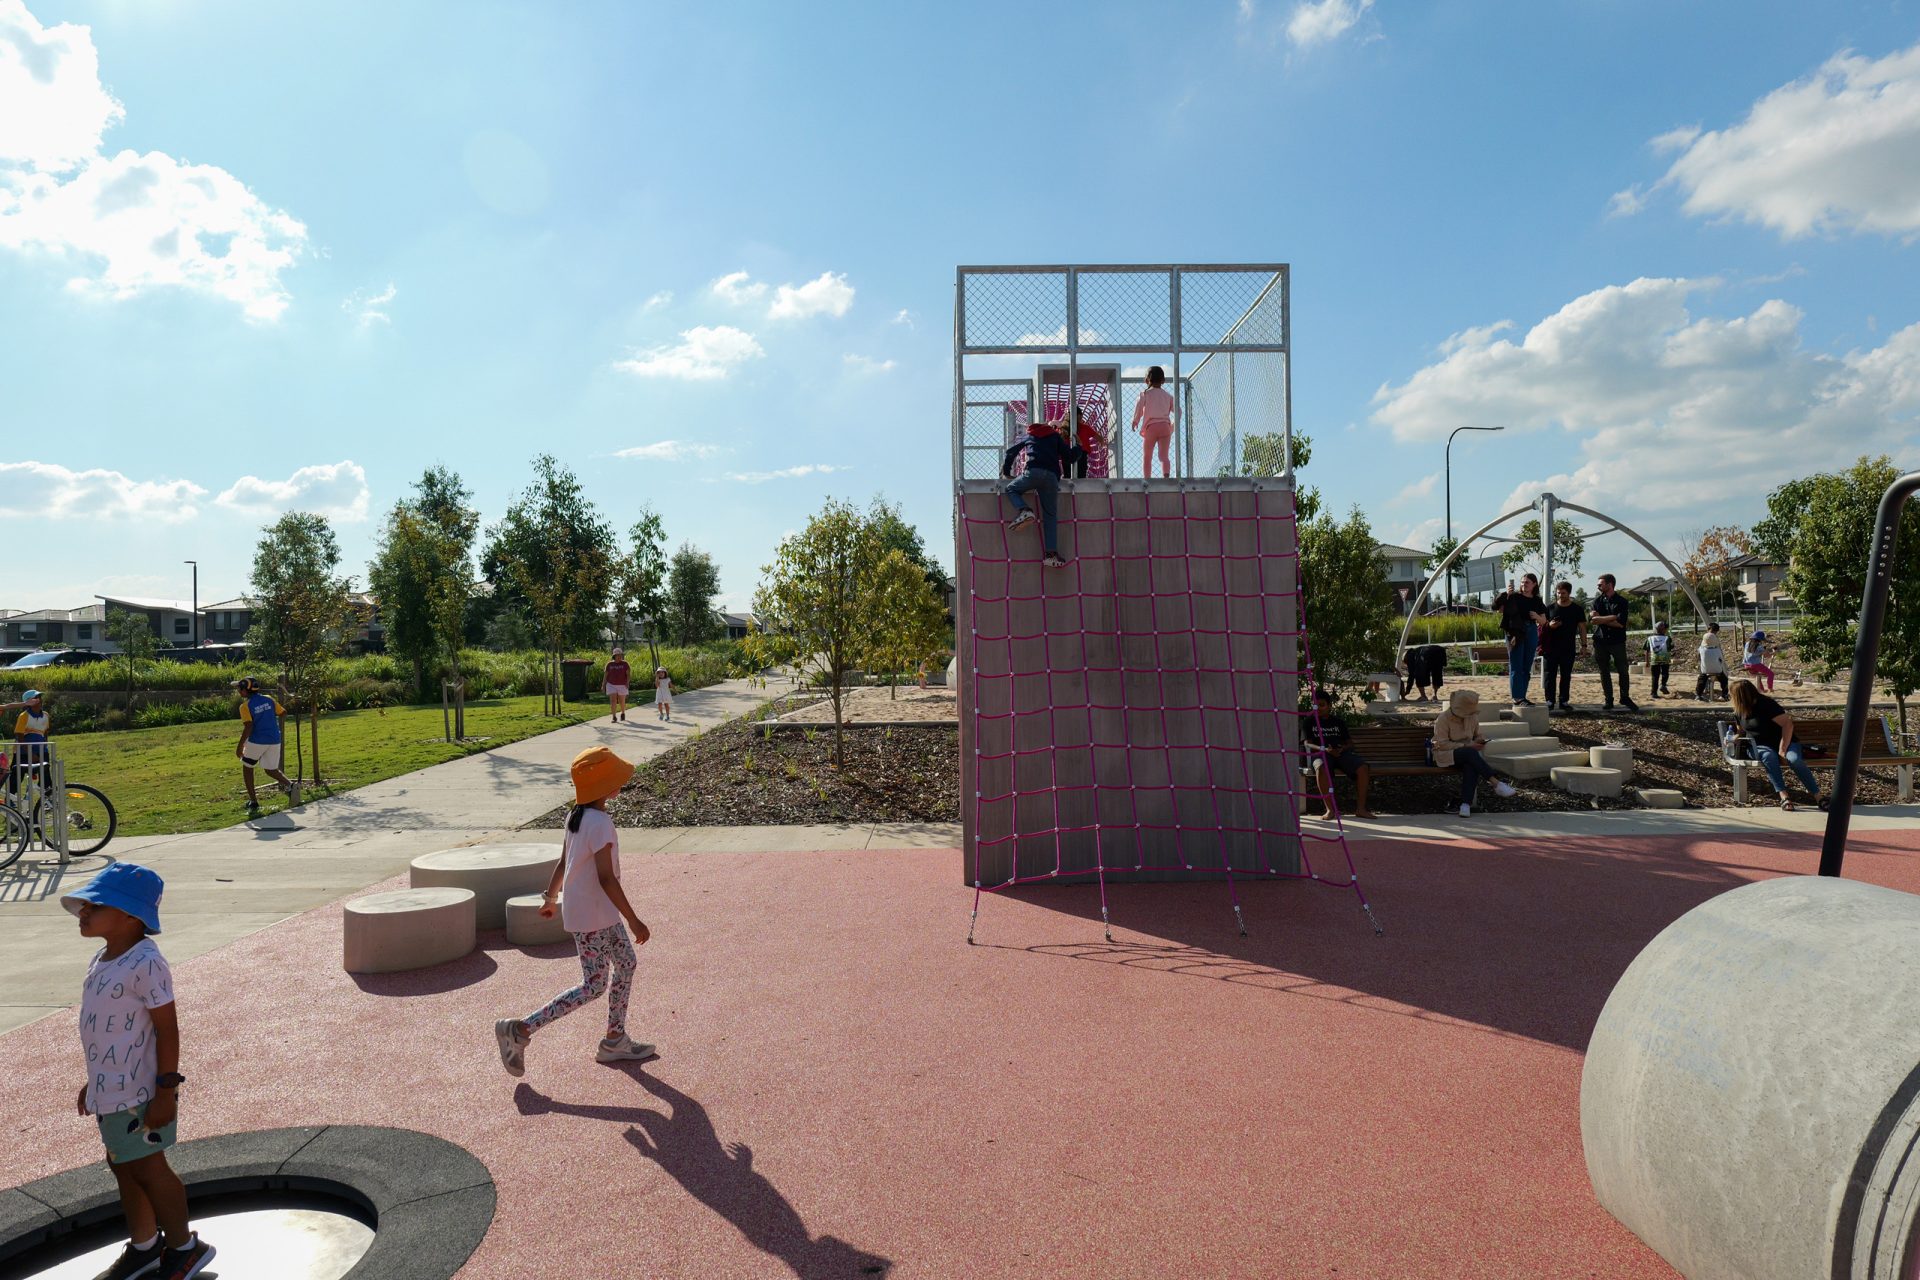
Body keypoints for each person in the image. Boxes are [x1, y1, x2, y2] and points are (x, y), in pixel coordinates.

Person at [62, 863, 217, 1280]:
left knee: (148, 1167)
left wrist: (166, 1089)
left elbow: (167, 1028)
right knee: (122, 1165)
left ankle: (184, 1247)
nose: (84, 912)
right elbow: (110, 1030)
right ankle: (145, 1244)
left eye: (95, 906)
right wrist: (93, 1081)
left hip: (141, 1093)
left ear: (130, 915)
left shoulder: (146, 963)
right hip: (111, 1088)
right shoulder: (103, 957)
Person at [495, 746, 655, 1076]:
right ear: (604, 787)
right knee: (594, 985)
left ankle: (615, 1039)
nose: (620, 783)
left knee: (626, 964)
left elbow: (562, 862)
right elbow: (606, 878)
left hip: (596, 913)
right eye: (615, 779)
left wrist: (551, 898)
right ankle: (521, 1029)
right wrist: (634, 919)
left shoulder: (576, 816)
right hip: (595, 916)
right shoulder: (600, 823)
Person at [1002, 417, 1083, 569]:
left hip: (1033, 472)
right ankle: (1051, 555)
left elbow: (1011, 453)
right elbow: (1070, 457)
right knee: (1050, 516)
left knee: (1011, 489)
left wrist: (1006, 471)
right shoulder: (1054, 436)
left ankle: (1025, 510)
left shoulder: (1029, 435)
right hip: (1052, 477)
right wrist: (1078, 446)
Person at [1730, 678, 1823, 811]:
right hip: (1759, 746)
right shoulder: (1740, 711)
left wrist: (1782, 749)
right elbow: (1741, 731)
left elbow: (1788, 724)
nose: (1731, 699)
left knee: (1794, 760)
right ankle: (1784, 796)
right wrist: (1733, 738)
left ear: (1741, 696)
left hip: (1784, 742)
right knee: (1769, 756)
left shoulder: (1766, 704)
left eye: (1733, 696)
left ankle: (1819, 796)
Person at [1306, 688, 1375, 820]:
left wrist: (1342, 749)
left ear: (1329, 706)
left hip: (1340, 754)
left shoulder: (1338, 722)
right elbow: (1307, 744)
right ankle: (1330, 810)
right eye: (1315, 705)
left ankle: (1361, 809)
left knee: (1363, 767)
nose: (1318, 708)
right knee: (1321, 768)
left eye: (1322, 705)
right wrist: (1324, 749)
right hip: (1321, 753)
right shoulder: (1309, 722)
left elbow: (1350, 743)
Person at [232, 677, 298, 816]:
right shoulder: (269, 699)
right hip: (274, 739)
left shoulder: (245, 706)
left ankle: (253, 801)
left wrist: (239, 746)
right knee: (270, 769)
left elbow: (249, 726)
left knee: (247, 767)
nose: (238, 691)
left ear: (245, 690)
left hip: (257, 741)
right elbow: (283, 712)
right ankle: (291, 785)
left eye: (239, 688)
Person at [1492, 574, 1548, 706]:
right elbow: (1498, 609)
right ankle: (1517, 697)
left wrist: (1536, 616)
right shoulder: (1514, 597)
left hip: (1531, 631)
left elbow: (1544, 621)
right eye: (1522, 582)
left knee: (1526, 666)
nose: (1524, 585)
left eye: (1527, 582)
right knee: (1516, 666)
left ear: (1534, 584)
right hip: (1515, 632)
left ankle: (1522, 696)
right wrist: (1507, 595)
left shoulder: (1537, 600)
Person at [1588, 573, 1638, 712]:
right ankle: (1608, 699)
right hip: (1600, 641)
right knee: (1604, 671)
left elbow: (1621, 624)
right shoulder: (1596, 601)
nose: (1598, 586)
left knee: (1623, 670)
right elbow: (1592, 621)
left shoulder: (1622, 601)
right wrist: (1612, 617)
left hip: (1617, 641)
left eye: (1600, 584)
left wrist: (1602, 619)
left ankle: (1625, 697)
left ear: (1610, 584)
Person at [1540, 581, 1588, 712]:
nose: (1560, 595)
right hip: (1551, 648)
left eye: (1563, 593)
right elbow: (1542, 627)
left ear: (1569, 593)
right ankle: (1549, 700)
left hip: (1568, 648)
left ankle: (1564, 700)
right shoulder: (1549, 608)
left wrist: (1584, 645)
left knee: (1566, 675)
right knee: (1550, 675)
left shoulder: (1577, 609)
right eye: (1558, 592)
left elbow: (1583, 628)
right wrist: (1550, 625)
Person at [1130, 365, 1179, 479]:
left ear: (1146, 380)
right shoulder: (1168, 396)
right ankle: (1166, 476)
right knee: (1163, 456)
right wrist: (1172, 425)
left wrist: (1135, 421)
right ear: (1163, 380)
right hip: (1165, 427)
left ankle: (1147, 479)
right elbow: (1178, 411)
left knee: (1147, 456)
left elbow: (1139, 408)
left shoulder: (1145, 394)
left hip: (1151, 428)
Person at [4, 688, 47, 795]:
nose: (39, 700)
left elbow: (45, 733)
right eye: (36, 698)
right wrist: (30, 753)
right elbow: (19, 736)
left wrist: (44, 748)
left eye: (39, 698)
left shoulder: (45, 715)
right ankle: (10, 800)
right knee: (16, 776)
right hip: (22, 752)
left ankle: (47, 798)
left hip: (41, 750)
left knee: (46, 774)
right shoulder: (24, 716)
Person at [1695, 622, 1730, 701]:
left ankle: (1698, 695)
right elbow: (1721, 660)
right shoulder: (1717, 650)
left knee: (1701, 679)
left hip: (1705, 670)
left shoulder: (1701, 649)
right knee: (1724, 679)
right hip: (1717, 670)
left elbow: (1699, 657)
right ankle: (1725, 695)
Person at [1646, 621, 1674, 698]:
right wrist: (1672, 647)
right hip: (1664, 659)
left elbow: (1647, 650)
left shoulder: (1650, 638)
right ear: (1663, 630)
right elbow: (1669, 648)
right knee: (1665, 673)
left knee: (1655, 676)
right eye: (1666, 629)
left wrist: (1647, 661)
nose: (1666, 630)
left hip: (1654, 660)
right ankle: (1663, 685)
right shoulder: (1667, 638)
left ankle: (1654, 693)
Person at [604, 648, 632, 723]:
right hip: (611, 684)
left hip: (622, 684)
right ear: (614, 656)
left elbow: (628, 674)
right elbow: (606, 675)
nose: (619, 657)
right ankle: (614, 717)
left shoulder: (625, 664)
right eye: (617, 656)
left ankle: (623, 713)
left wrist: (627, 683)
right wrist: (603, 685)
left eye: (620, 655)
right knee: (613, 700)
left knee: (621, 701)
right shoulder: (609, 664)